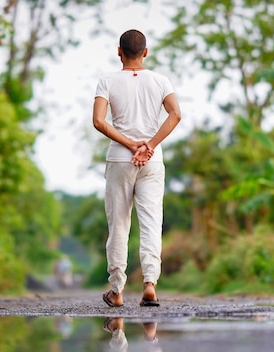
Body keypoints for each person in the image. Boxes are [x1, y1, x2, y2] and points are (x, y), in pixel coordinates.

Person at [92, 29, 182, 307]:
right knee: (151, 223)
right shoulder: (160, 80)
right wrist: (149, 145)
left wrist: (130, 145)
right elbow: (175, 114)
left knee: (118, 224)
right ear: (145, 52)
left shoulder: (107, 81)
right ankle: (150, 285)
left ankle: (117, 290)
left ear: (119, 51)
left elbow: (98, 121)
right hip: (151, 161)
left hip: (120, 159)